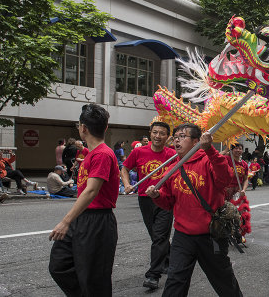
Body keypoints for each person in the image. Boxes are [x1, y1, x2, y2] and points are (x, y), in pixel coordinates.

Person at [145, 123, 243, 297]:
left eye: (182, 136)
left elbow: (226, 179)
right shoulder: (172, 168)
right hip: (183, 236)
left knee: (223, 280)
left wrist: (210, 150)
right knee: (175, 281)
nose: (177, 140)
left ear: (196, 141)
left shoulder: (208, 160)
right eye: (175, 137)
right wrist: (157, 196)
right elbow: (168, 203)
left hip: (211, 234)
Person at [49, 104, 119, 296]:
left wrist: (65, 221)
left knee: (94, 280)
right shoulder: (92, 154)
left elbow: (91, 191)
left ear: (83, 128)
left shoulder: (103, 154)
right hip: (83, 218)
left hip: (97, 222)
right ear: (105, 127)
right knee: (59, 265)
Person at [121, 121, 176, 290]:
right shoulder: (138, 152)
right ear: (150, 134)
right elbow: (124, 167)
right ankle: (169, 260)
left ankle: (153, 275)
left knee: (159, 236)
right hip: (145, 199)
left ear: (167, 137)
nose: (158, 136)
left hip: (165, 199)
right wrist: (127, 183)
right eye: (155, 132)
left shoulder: (173, 154)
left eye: (162, 133)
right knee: (156, 235)